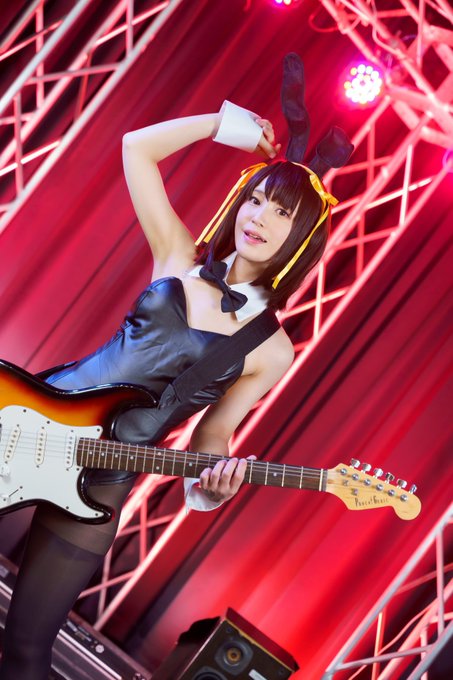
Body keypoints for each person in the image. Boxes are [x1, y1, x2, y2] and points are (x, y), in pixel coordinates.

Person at [0, 63, 351, 678]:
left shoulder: (272, 349)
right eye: (256, 199)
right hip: (28, 422)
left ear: (303, 236)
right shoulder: (179, 257)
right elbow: (136, 148)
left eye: (280, 212)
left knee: (26, 655)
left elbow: (211, 440)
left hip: (102, 485)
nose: (258, 217)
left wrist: (210, 487)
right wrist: (224, 125)